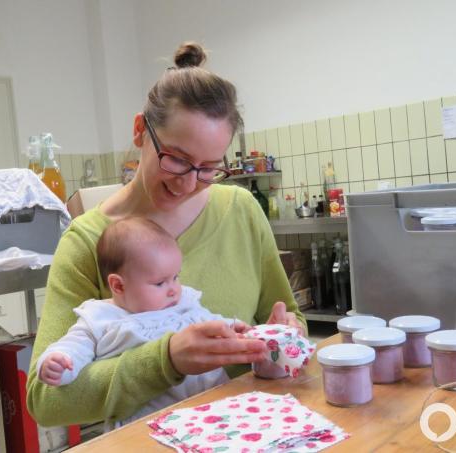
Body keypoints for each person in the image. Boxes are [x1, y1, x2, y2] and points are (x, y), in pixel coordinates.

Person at [27, 41, 306, 428]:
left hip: (240, 432)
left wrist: (283, 335)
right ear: (140, 131)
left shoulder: (240, 210)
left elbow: (289, 321)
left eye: (208, 168)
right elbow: (47, 401)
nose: (189, 183)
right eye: (176, 159)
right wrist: (166, 360)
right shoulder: (88, 241)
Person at [36, 217, 240, 428]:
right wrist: (59, 361)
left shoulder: (182, 302)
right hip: (150, 428)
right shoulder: (101, 318)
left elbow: (209, 322)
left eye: (176, 277)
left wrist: (234, 328)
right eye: (160, 282)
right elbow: (74, 346)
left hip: (216, 414)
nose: (173, 289)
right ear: (118, 286)